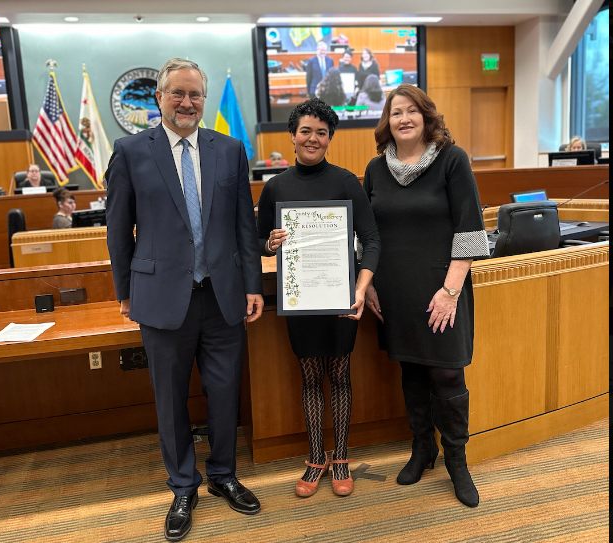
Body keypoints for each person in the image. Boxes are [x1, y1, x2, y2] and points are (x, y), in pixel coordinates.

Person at [106, 57, 264, 541]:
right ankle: (182, 485)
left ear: (204, 98)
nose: (187, 102)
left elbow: (243, 225)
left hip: (222, 297)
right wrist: (125, 292)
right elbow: (118, 230)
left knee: (223, 393)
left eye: (195, 94)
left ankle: (222, 474)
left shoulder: (230, 149)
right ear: (159, 98)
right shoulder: (131, 150)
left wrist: (253, 285)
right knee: (170, 398)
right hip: (159, 297)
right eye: (178, 93)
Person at [363, 85, 489, 508]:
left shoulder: (452, 160)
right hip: (395, 289)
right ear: (387, 122)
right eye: (395, 112)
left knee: (448, 374)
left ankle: (457, 460)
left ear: (426, 116)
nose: (403, 118)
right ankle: (423, 448)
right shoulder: (376, 169)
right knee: (412, 370)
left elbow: (470, 231)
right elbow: (369, 236)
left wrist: (451, 291)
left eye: (411, 111)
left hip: (442, 289)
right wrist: (371, 284)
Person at [257, 98, 381, 498]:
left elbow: (373, 240)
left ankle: (341, 455)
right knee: (310, 376)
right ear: (292, 136)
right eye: (306, 131)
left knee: (341, 375)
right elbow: (259, 242)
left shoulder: (347, 182)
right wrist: (270, 243)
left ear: (330, 139)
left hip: (341, 296)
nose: (313, 139)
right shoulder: (275, 187)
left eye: (322, 133)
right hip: (301, 298)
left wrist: (361, 289)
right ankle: (316, 457)